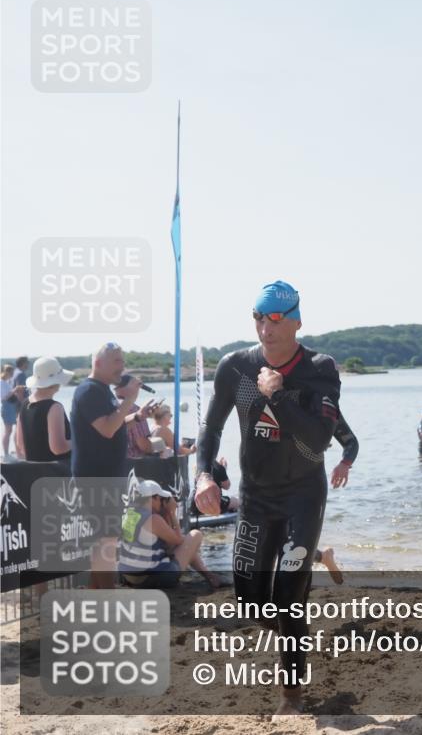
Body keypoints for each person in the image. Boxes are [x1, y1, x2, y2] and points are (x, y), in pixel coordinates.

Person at [192, 280, 352, 717]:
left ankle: (291, 697)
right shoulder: (234, 367)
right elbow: (211, 427)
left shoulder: (320, 368)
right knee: (250, 601)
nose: (266, 327)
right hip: (257, 499)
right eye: (259, 317)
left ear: (297, 321)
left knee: (288, 594)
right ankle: (294, 605)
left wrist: (277, 394)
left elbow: (320, 440)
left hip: (303, 494)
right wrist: (204, 474)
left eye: (277, 318)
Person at [71, 342, 144, 589]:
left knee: (106, 540)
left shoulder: (102, 390)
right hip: (95, 477)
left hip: (108, 475)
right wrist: (130, 398)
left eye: (123, 361)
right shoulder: (89, 390)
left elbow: (114, 424)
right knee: (105, 541)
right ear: (98, 363)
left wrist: (135, 415)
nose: (122, 366)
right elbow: (107, 429)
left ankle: (94, 595)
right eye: (116, 361)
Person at [118, 474, 218, 589]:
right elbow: (179, 540)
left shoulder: (130, 513)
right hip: (149, 580)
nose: (161, 502)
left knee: (186, 545)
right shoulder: (153, 519)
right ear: (152, 498)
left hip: (128, 577)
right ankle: (210, 577)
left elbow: (169, 544)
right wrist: (171, 512)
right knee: (195, 535)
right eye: (160, 499)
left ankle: (210, 576)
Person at [15, 356, 72, 462]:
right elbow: (58, 448)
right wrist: (79, 440)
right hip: (56, 473)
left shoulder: (24, 404)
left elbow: (21, 446)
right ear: (56, 382)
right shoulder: (54, 407)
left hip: (35, 473)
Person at [113, 378, 160, 459]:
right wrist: (162, 446)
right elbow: (143, 446)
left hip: (117, 461)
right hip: (134, 464)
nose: (138, 389)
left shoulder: (111, 406)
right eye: (137, 386)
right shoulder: (133, 409)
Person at [1, 365, 17, 457]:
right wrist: (14, 390)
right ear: (6, 372)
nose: (12, 374)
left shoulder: (6, 382)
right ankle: (6, 453)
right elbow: (4, 397)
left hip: (10, 407)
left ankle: (8, 452)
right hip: (7, 407)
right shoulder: (2, 382)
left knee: (9, 430)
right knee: (8, 431)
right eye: (11, 373)